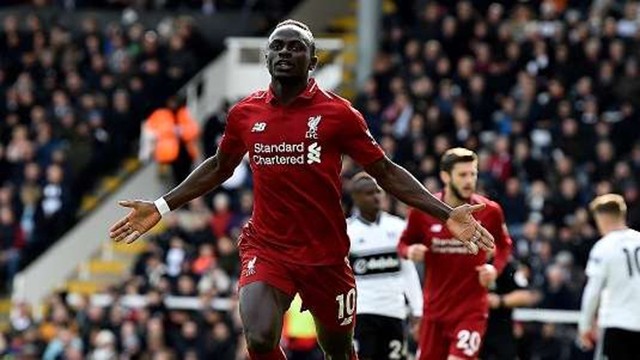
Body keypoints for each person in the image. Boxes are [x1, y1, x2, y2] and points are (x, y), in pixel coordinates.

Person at [109, 20, 494, 360]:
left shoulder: (339, 114)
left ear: (312, 62)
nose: (284, 52)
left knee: (339, 350)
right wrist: (161, 206)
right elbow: (219, 167)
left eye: (296, 47)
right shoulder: (245, 113)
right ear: (267, 58)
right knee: (259, 339)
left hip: (325, 257)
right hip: (267, 247)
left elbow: (385, 171)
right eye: (277, 45)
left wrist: (446, 213)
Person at [397, 148, 513, 360]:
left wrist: (493, 269)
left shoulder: (489, 211)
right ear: (445, 176)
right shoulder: (424, 210)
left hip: (471, 309)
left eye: (473, 174)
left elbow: (504, 245)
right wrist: (410, 251)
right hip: (434, 310)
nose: (469, 180)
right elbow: (403, 242)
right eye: (462, 175)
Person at [346, 172, 423, 360]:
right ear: (356, 198)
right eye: (369, 193)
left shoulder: (398, 227)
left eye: (378, 191)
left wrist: (418, 310)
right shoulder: (347, 232)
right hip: (362, 313)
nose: (376, 196)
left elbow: (408, 271)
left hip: (394, 312)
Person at [578, 194, 640, 360]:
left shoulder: (604, 247)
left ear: (602, 219)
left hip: (617, 323)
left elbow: (593, 291)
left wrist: (585, 325)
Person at [480, 259, 540, 360]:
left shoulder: (509, 267)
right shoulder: (472, 264)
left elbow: (526, 295)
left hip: (501, 330)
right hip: (476, 327)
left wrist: (500, 300)